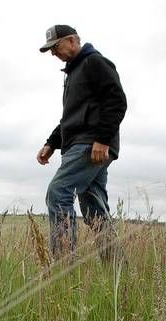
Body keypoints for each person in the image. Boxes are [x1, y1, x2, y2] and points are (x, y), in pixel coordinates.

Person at [36, 24, 127, 261]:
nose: (53, 53)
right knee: (94, 210)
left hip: (90, 145)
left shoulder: (94, 62)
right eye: (50, 51)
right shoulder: (73, 72)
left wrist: (102, 139)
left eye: (55, 47)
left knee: (58, 192)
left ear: (73, 40)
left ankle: (63, 265)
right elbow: (70, 117)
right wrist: (51, 143)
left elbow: (117, 100)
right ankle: (116, 268)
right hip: (84, 144)